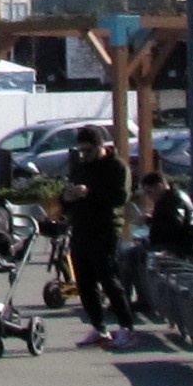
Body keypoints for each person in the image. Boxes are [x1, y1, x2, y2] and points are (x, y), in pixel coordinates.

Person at [62, 127, 140, 347]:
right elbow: (68, 195)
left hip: (105, 229)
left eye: (88, 151)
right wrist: (67, 197)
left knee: (109, 279)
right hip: (81, 228)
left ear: (101, 146)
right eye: (81, 151)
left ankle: (127, 327)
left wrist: (90, 193)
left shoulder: (117, 167)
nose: (85, 155)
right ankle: (99, 327)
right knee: (84, 282)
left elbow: (120, 197)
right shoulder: (81, 166)